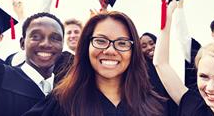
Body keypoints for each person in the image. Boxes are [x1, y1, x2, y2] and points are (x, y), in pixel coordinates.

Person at [23, 11, 166, 116]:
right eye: (101, 41)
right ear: (86, 46)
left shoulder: (154, 105)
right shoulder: (63, 103)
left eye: (122, 43)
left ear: (133, 51)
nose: (110, 50)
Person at [0, 12, 64, 116]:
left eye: (55, 38)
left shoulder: (67, 93)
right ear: (22, 43)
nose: (46, 44)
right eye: (36, 36)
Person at [140, 32, 178, 116]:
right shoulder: (141, 71)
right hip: (156, 110)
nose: (149, 48)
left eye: (152, 43)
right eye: (144, 46)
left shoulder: (170, 63)